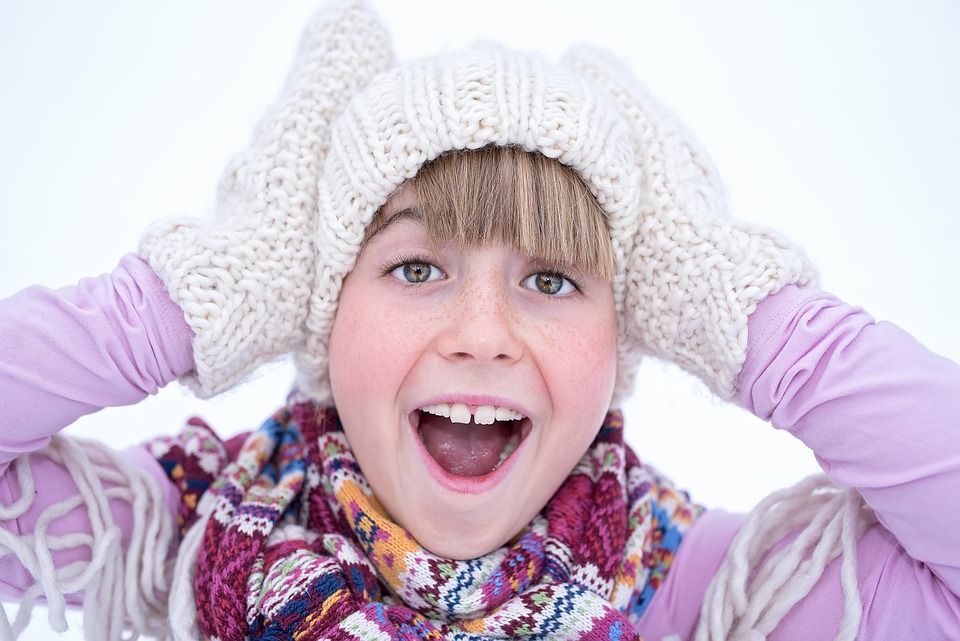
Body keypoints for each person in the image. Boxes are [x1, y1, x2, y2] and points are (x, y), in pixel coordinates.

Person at [1, 1, 958, 640]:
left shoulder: (680, 582)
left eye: (551, 280)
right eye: (416, 268)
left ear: (625, 331)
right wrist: (197, 293)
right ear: (321, 307)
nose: (483, 333)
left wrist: (744, 309)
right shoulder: (193, 530)